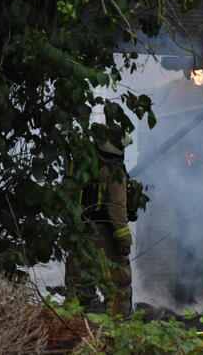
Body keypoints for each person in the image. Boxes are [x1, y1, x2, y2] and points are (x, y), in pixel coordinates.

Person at [65, 135, 133, 316]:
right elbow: (116, 208)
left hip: (78, 234)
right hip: (104, 237)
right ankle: (117, 329)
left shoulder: (77, 167)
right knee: (118, 288)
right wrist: (125, 240)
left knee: (77, 287)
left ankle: (71, 326)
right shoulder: (114, 172)